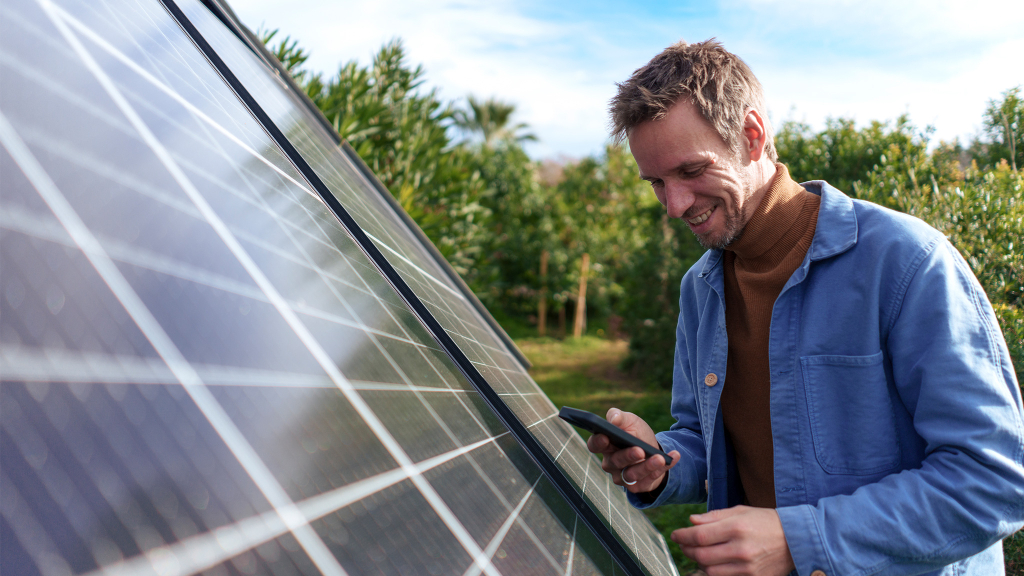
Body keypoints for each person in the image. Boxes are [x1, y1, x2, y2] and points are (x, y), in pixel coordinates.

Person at [587, 39, 1024, 576]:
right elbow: (707, 438)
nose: (674, 205)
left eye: (691, 170)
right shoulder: (700, 289)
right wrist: (660, 461)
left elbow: (996, 480)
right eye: (656, 182)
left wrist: (802, 539)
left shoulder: (907, 263)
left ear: (752, 135)